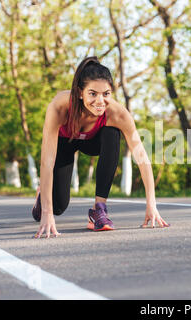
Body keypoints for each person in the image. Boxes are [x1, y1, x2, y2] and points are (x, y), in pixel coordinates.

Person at [32, 56, 169, 238]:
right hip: (64, 143)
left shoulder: (117, 113)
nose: (100, 101)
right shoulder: (59, 107)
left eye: (106, 94)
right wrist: (47, 214)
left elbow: (141, 157)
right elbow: (47, 161)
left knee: (112, 133)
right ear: (80, 92)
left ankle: (99, 210)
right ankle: (42, 196)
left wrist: (152, 205)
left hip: (93, 141)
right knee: (57, 208)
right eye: (93, 94)